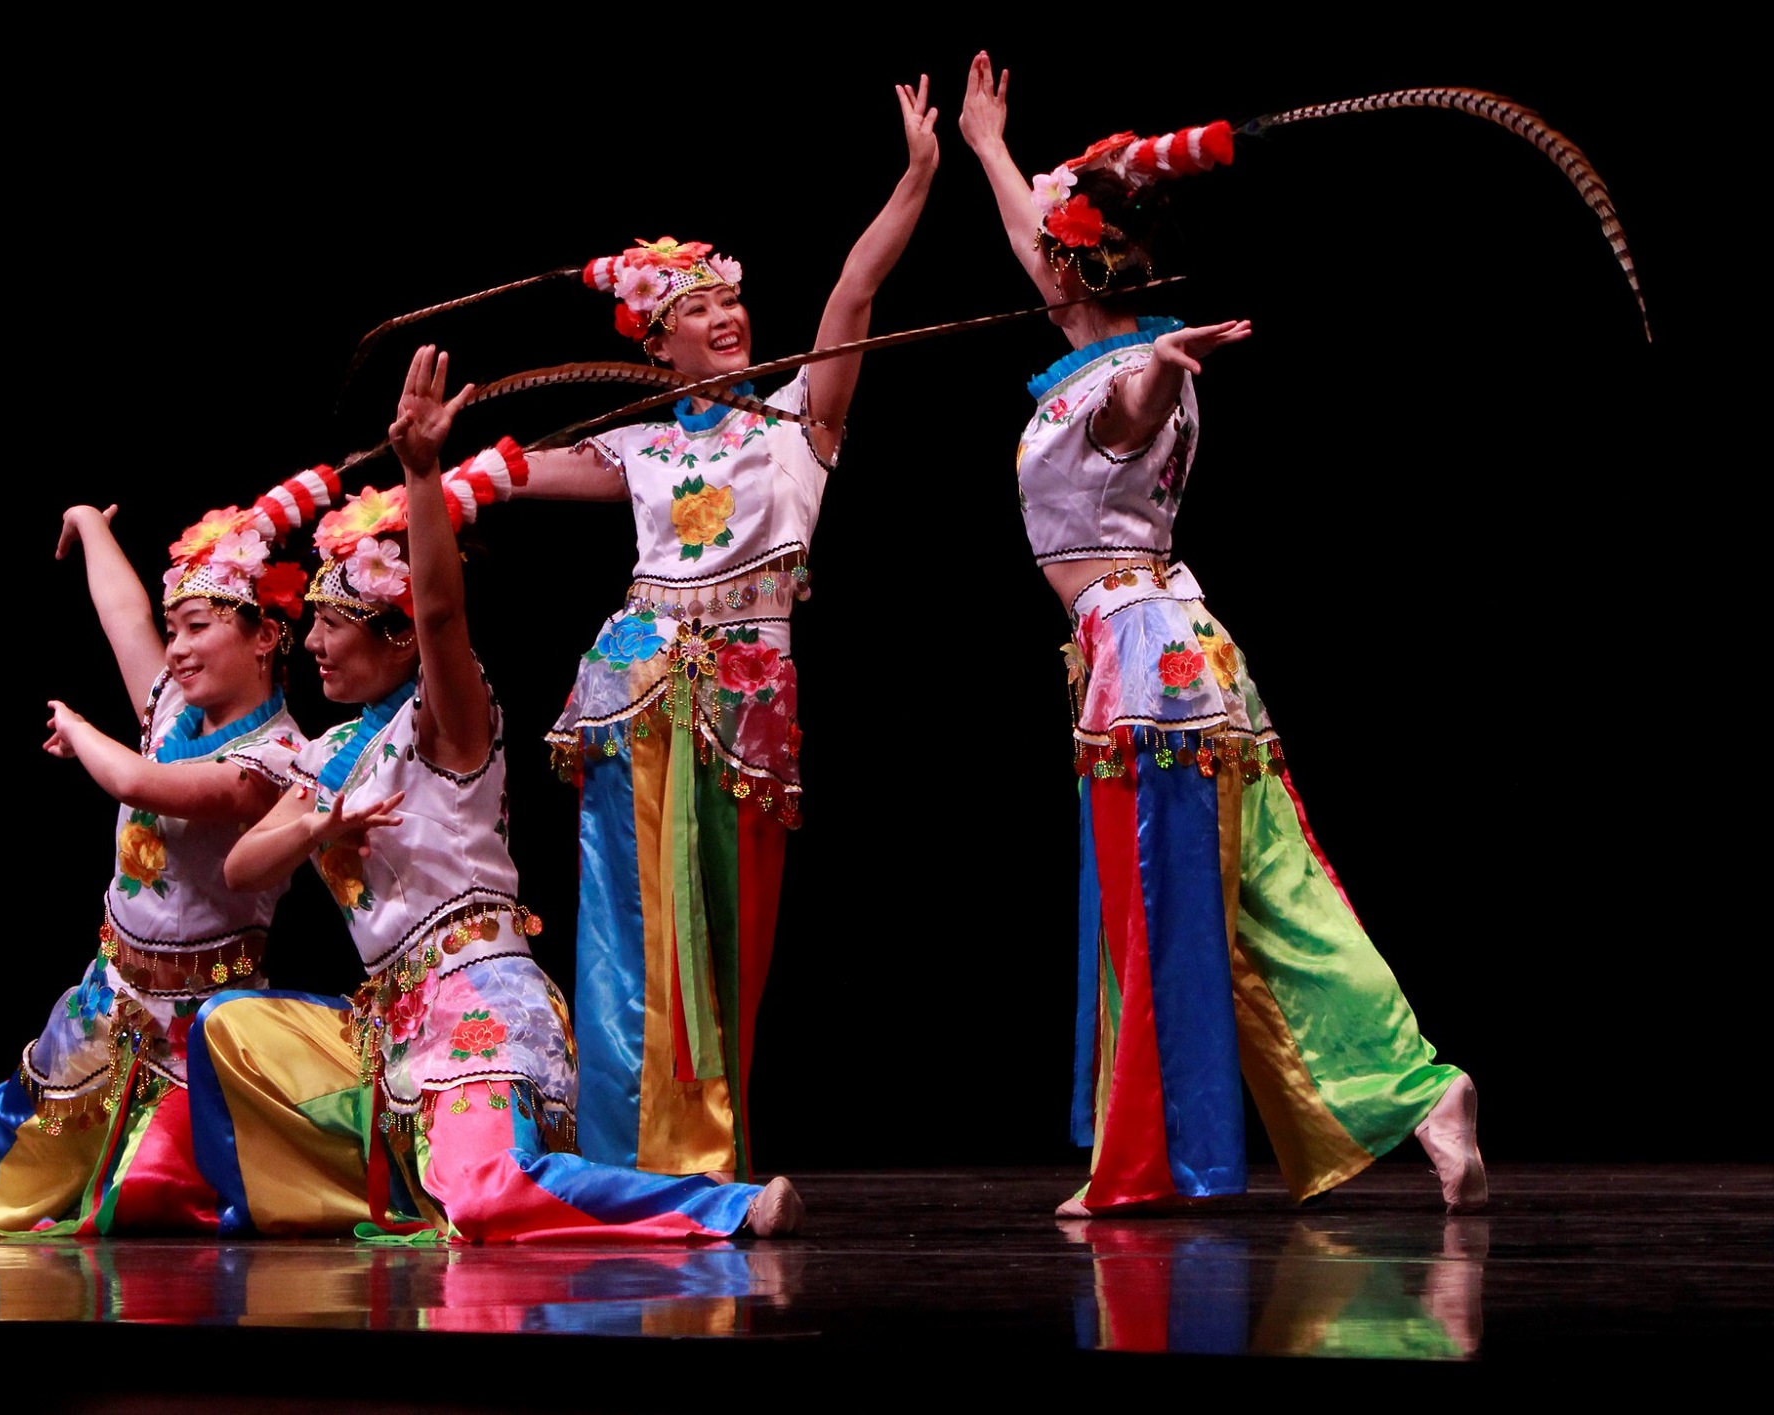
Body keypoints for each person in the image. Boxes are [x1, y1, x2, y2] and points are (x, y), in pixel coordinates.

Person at [958, 51, 1486, 1215]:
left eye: (1042, 231)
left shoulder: (1122, 375)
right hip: (1169, 646)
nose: (1027, 240)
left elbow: (1130, 403)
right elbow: (1044, 262)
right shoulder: (1094, 349)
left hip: (1147, 655)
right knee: (1264, 886)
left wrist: (1156, 366)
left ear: (1065, 262)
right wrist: (988, 146)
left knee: (1163, 904)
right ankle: (1413, 1087)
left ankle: (1156, 1159)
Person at [189, 345, 803, 1241]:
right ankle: (409, 1183)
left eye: (333, 624)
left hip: (482, 1008)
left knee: (485, 1194)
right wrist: (326, 818)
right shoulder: (327, 758)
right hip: (387, 1028)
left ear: (396, 639)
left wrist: (423, 473)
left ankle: (723, 1207)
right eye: (313, 622)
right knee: (227, 1026)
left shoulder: (447, 724)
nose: (312, 644)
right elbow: (244, 866)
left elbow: (443, 611)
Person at [494, 75, 940, 1182]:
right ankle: (633, 1156)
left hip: (742, 693)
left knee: (724, 930)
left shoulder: (801, 419)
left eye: (725, 299)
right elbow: (501, 477)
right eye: (691, 308)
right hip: (636, 679)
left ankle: (698, 1148)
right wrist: (438, 462)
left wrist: (919, 174)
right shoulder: (637, 448)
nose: (722, 315)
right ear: (658, 344)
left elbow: (852, 286)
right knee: (633, 928)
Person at [0, 470, 336, 1234]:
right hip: (112, 994)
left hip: (201, 1025)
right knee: (16, 1144)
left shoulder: (279, 760)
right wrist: (90, 523)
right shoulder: (178, 713)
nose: (176, 650)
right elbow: (121, 615)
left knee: (155, 1198)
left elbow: (142, 782)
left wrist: (81, 729)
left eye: (197, 627)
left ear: (264, 636)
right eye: (175, 628)